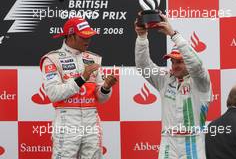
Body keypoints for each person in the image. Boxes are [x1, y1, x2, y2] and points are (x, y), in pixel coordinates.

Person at [135, 13, 212, 159]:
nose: (175, 66)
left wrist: (173, 34)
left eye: (179, 62)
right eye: (173, 62)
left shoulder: (201, 82)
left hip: (193, 142)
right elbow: (143, 66)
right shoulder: (166, 80)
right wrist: (141, 37)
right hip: (168, 143)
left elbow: (196, 64)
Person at [40, 17, 117, 159]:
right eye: (83, 37)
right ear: (70, 36)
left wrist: (106, 87)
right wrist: (82, 79)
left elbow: (101, 98)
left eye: (90, 37)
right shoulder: (52, 59)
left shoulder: (93, 58)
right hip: (67, 121)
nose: (88, 41)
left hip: (91, 121)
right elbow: (53, 94)